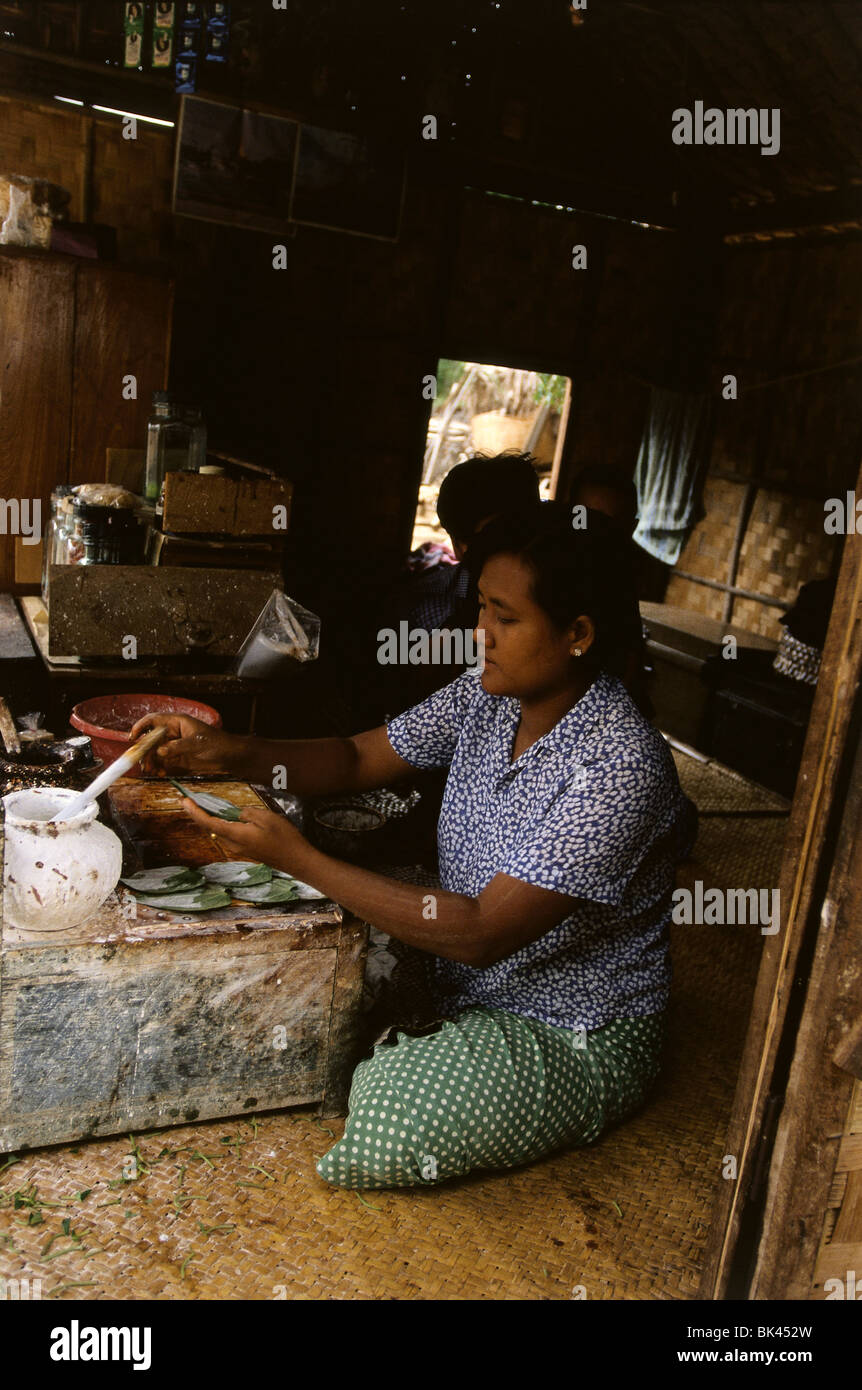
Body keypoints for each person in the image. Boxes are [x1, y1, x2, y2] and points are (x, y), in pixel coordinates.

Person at [130, 503, 692, 1191]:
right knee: (266, 987)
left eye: (506, 618)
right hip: (457, 975)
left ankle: (419, 1059)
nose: (481, 633)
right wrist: (230, 751)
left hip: (568, 1024)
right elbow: (357, 758)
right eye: (482, 607)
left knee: (396, 1114)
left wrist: (300, 858)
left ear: (577, 633)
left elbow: (483, 930)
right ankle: (419, 1036)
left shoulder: (620, 767)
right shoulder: (489, 695)